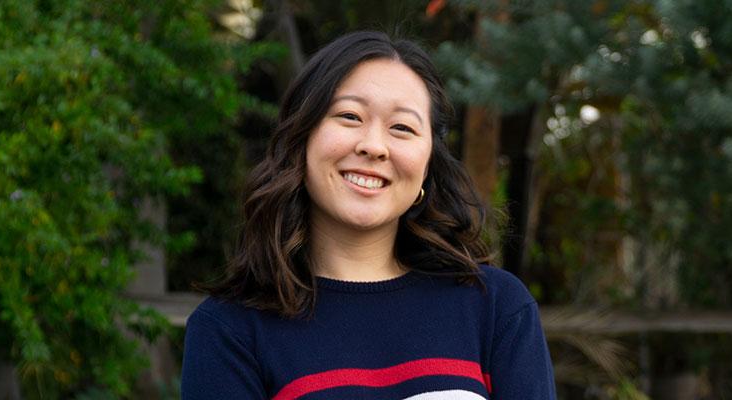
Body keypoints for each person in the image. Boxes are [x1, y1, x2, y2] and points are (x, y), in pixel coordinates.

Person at [181, 30, 556, 400]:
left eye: (402, 128)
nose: (374, 146)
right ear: (302, 138)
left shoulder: (495, 308)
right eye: (349, 116)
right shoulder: (230, 330)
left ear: (427, 164)